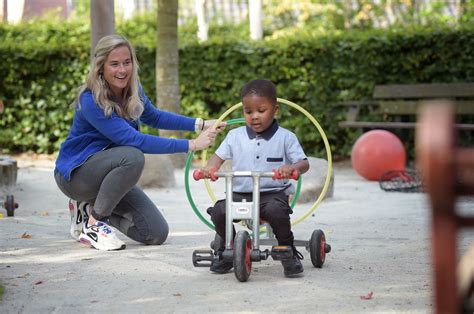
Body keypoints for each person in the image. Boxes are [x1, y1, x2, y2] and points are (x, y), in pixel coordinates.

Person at [54, 34, 224, 251]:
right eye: (114, 64)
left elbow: (155, 117)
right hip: (76, 176)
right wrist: (191, 145)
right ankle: (96, 225)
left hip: (107, 175)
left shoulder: (133, 90)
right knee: (132, 155)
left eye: (127, 62)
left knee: (155, 233)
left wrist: (201, 124)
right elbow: (133, 140)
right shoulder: (91, 99)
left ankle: (88, 211)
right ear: (100, 67)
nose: (122, 70)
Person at [199, 79, 310, 277]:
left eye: (261, 110)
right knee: (219, 211)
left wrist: (291, 168)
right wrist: (210, 168)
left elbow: (304, 163)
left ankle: (288, 249)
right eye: (248, 112)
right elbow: (217, 158)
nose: (254, 117)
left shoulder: (286, 137)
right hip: (240, 193)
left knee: (277, 211)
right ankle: (229, 248)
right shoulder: (235, 136)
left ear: (275, 110)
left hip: (271, 194)